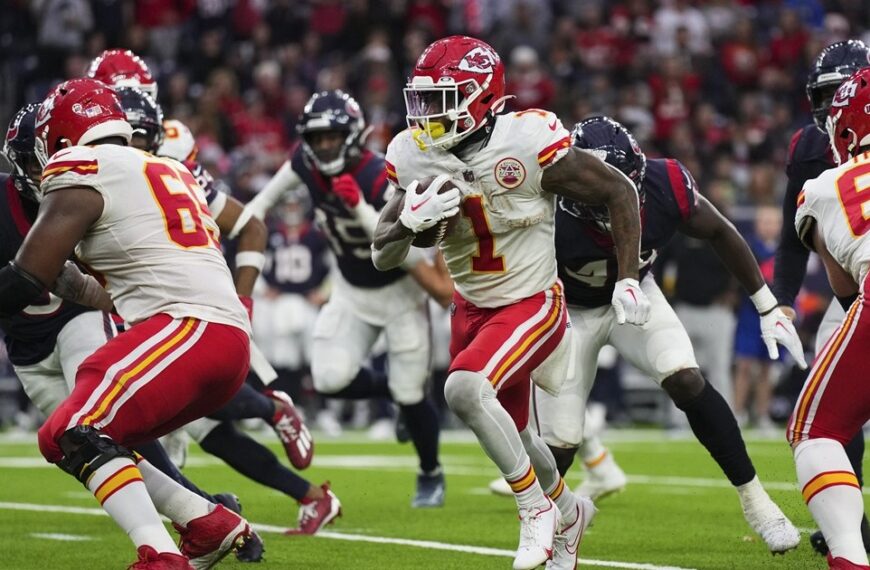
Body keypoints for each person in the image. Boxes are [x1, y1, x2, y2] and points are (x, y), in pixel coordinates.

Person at [372, 36, 649, 570]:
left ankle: (534, 509)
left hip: (531, 302)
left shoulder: (526, 139)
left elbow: (619, 190)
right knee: (517, 433)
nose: (427, 115)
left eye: (442, 99)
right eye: (422, 100)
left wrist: (628, 277)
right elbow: (383, 257)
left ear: (481, 96)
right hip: (470, 311)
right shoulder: (411, 153)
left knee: (464, 388)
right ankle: (571, 513)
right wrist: (407, 224)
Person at [0, 78, 256, 569]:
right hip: (221, 342)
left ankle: (161, 557)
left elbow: (25, 278)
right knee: (82, 431)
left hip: (185, 330)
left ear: (61, 137)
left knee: (74, 427)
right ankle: (206, 523)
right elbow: (98, 288)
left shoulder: (81, 166)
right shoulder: (163, 167)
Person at [521, 115, 803, 554]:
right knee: (559, 446)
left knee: (686, 377)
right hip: (569, 311)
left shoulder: (663, 181)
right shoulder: (545, 207)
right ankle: (563, 519)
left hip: (638, 299)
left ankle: (757, 502)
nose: (613, 206)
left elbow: (719, 231)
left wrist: (767, 305)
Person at [115, 86, 341, 534]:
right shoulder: (117, 166)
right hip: (145, 295)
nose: (121, 147)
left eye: (132, 137)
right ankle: (301, 496)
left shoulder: (170, 163)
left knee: (164, 408)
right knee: (206, 430)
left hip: (181, 291)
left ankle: (212, 502)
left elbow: (247, 224)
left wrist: (242, 299)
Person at [238, 89, 453, 508]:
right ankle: (392, 395)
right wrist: (229, 223)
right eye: (317, 139)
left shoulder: (379, 175)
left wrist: (359, 208)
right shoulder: (305, 163)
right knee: (330, 378)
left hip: (400, 288)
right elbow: (261, 204)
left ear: (352, 135)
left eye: (332, 137)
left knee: (413, 392)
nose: (324, 146)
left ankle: (430, 471)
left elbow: (396, 246)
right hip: (352, 290)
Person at [772, 39, 870, 556]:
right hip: (857, 285)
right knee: (836, 408)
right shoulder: (809, 148)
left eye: (842, 97)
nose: (831, 110)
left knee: (815, 422)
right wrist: (781, 301)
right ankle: (850, 521)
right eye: (826, 96)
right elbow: (791, 241)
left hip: (860, 286)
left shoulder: (827, 173)